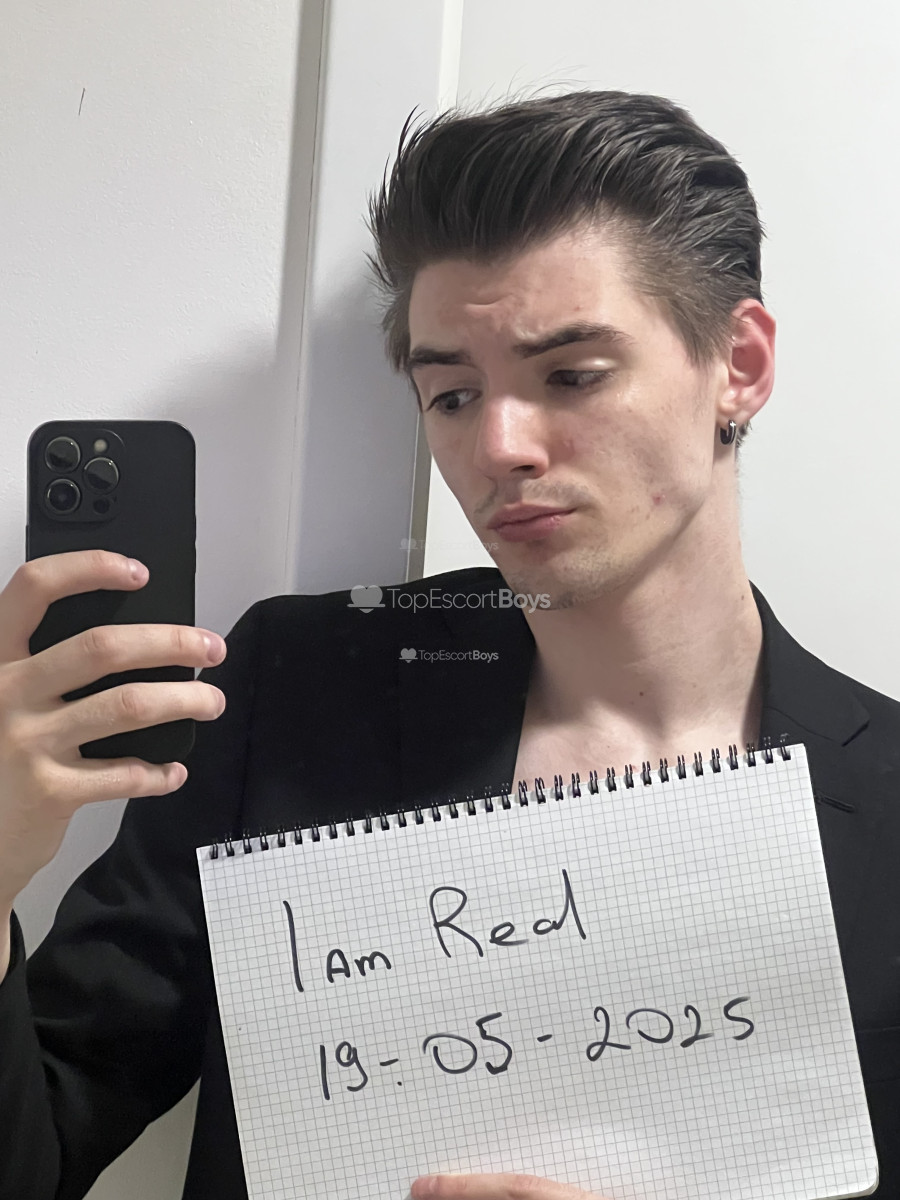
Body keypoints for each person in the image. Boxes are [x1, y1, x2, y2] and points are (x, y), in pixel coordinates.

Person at [1, 90, 898, 1200]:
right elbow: (36, 1151)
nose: (499, 447)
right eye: (454, 394)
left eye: (572, 375)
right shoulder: (298, 691)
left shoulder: (888, 802)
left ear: (740, 364)